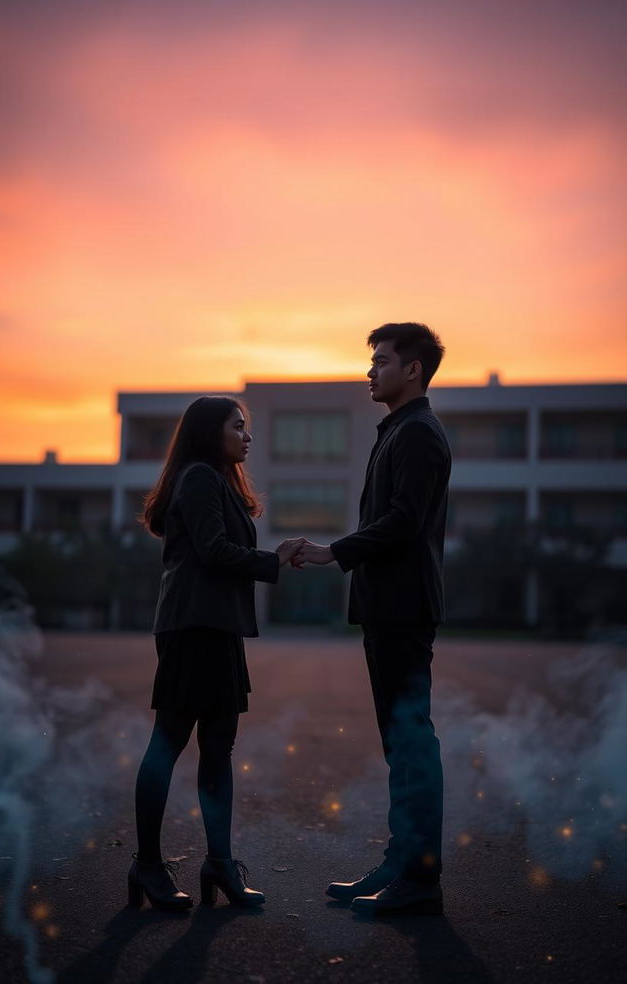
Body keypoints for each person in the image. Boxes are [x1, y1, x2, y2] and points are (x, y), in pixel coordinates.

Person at [295, 322, 451, 915]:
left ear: (412, 370)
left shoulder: (417, 434)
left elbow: (404, 521)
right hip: (390, 606)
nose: (370, 371)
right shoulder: (400, 430)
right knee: (400, 741)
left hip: (403, 607)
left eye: (381, 361)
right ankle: (400, 862)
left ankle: (420, 880)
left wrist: (338, 550)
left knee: (412, 741)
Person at [128, 396, 303, 911]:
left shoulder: (218, 480)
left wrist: (272, 557)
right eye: (238, 427)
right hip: (192, 628)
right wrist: (273, 560)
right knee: (169, 743)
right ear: (211, 433)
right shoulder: (200, 477)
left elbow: (219, 551)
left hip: (217, 627)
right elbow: (213, 552)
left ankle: (219, 864)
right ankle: (147, 864)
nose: (247, 436)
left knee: (219, 747)